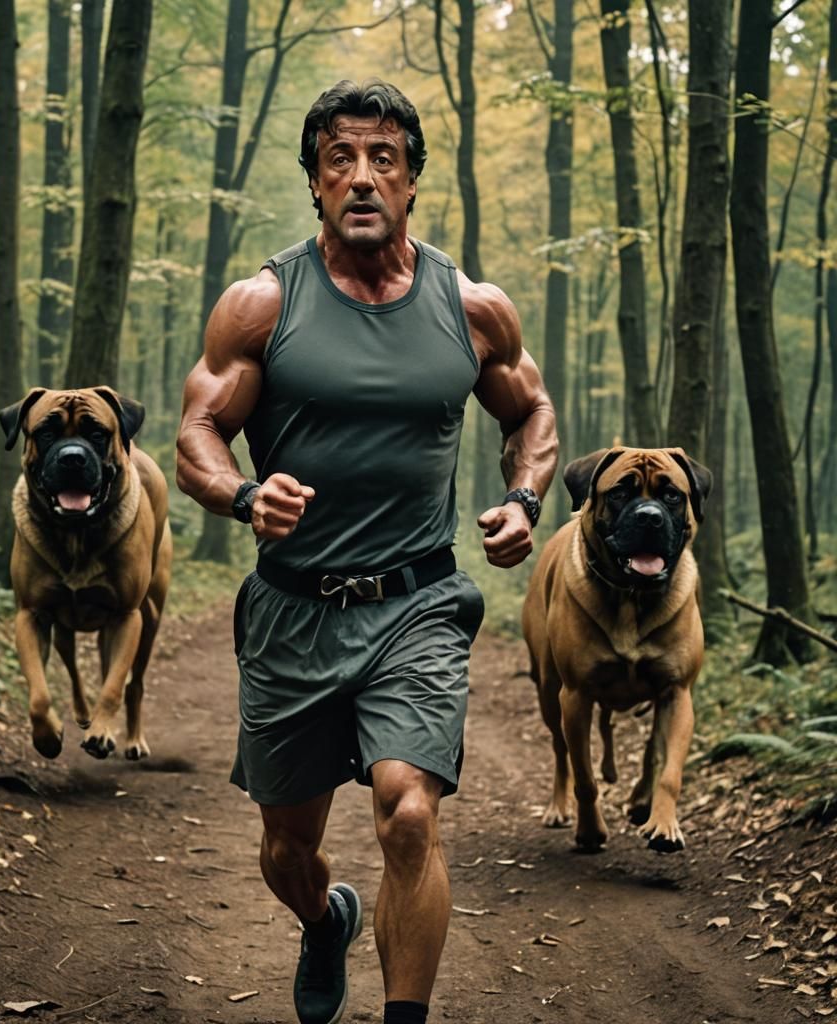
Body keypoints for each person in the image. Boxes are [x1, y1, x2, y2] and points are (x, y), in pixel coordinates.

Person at [176, 79, 558, 1024]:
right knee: (287, 851)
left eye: (382, 158)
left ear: (412, 180)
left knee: (410, 814)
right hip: (292, 609)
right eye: (339, 158)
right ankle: (325, 920)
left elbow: (532, 412)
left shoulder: (471, 307)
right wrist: (244, 494)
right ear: (315, 181)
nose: (361, 177)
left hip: (416, 603)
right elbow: (196, 433)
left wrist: (524, 499)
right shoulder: (262, 304)